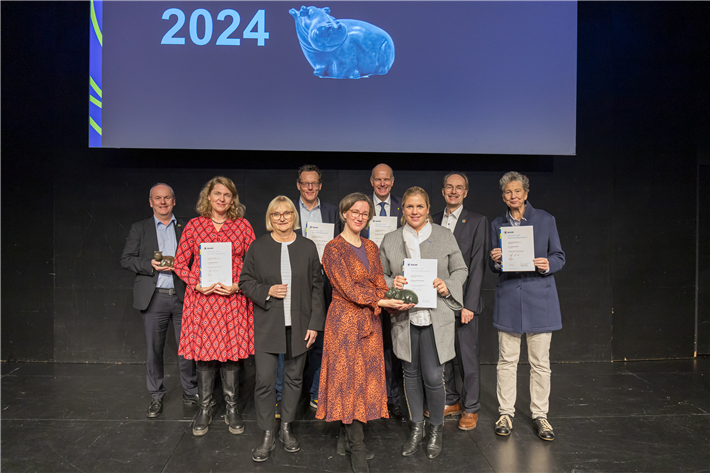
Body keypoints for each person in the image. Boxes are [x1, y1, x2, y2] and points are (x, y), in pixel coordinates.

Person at [316, 193, 413, 473]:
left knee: (364, 379)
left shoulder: (371, 246)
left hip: (369, 322)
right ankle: (356, 445)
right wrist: (382, 300)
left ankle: (345, 438)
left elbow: (378, 282)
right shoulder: (333, 249)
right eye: (355, 211)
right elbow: (348, 288)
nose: (360, 216)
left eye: (364, 213)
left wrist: (397, 295)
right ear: (344, 213)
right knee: (348, 380)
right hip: (344, 322)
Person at [379, 187, 468, 459]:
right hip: (405, 317)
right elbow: (379, 275)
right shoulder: (391, 239)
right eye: (409, 207)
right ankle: (416, 428)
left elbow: (461, 269)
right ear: (402, 210)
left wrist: (446, 285)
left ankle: (435, 430)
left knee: (433, 376)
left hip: (435, 316)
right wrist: (392, 282)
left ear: (428, 208)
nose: (414, 212)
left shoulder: (444, 235)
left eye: (419, 207)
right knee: (410, 375)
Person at [239, 196, 325, 461]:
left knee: (293, 380)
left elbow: (316, 288)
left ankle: (286, 428)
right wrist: (267, 290)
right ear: (270, 218)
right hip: (267, 325)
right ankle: (267, 433)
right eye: (276, 214)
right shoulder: (258, 246)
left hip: (299, 326)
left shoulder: (308, 247)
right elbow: (245, 281)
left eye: (287, 213)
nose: (282, 218)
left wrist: (314, 324)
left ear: (293, 217)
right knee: (264, 381)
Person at [173, 176, 256, 437]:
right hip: (203, 301)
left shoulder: (242, 226)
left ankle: (232, 408)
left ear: (233, 199)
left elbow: (255, 264)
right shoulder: (195, 225)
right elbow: (178, 264)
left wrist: (237, 285)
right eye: (217, 194)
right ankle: (205, 408)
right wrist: (196, 284)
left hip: (232, 299)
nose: (222, 199)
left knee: (231, 355)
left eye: (227, 195)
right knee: (205, 356)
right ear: (208, 196)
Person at [489, 171, 565, 442]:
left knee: (540, 363)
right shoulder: (498, 223)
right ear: (503, 196)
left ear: (526, 193)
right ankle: (505, 413)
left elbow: (559, 256)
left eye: (517, 191)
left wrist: (548, 264)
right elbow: (494, 265)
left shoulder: (545, 219)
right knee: (507, 361)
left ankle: (540, 415)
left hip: (540, 300)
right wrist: (496, 259)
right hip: (509, 298)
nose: (513, 196)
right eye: (508, 192)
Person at [120, 183, 197, 418]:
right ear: (150, 202)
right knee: (155, 350)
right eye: (158, 198)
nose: (162, 202)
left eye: (167, 198)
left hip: (183, 296)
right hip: (154, 298)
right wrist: (148, 266)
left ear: (174, 201)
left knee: (188, 348)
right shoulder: (139, 228)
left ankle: (190, 392)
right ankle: (156, 395)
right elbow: (126, 259)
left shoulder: (187, 226)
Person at [430, 172, 489, 430]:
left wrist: (470, 305)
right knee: (442, 356)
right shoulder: (431, 221)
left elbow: (477, 267)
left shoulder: (477, 221)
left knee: (466, 358)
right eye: (449, 187)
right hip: (437, 302)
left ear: (465, 192)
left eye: (459, 188)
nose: (454, 191)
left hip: (463, 303)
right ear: (443, 191)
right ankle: (452, 400)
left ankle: (471, 407)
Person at [294, 164, 340, 411]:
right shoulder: (288, 211)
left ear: (320, 186)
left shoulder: (333, 212)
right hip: (296, 282)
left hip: (326, 282)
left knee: (322, 339)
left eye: (314, 183)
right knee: (297, 337)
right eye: (305, 183)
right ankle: (294, 391)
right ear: (299, 185)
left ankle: (316, 391)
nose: (309, 187)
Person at [368, 163, 405, 421]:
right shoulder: (361, 207)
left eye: (387, 180)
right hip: (367, 286)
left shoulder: (405, 206)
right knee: (371, 344)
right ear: (372, 181)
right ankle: (372, 397)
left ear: (392, 182)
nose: (382, 184)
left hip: (396, 284)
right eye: (378, 179)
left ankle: (393, 399)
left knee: (393, 347)